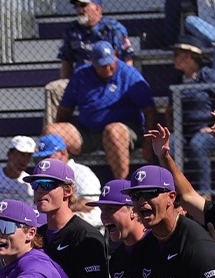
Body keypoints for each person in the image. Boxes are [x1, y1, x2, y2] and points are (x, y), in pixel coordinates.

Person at [55, 41, 155, 178]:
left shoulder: (129, 74)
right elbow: (65, 110)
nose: (108, 69)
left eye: (110, 64)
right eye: (102, 66)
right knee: (52, 132)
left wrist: (148, 142)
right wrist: (60, 127)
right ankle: (56, 182)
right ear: (92, 62)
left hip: (122, 132)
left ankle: (121, 187)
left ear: (115, 56)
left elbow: (149, 110)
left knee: (113, 131)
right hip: (87, 133)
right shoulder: (81, 76)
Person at [45, 0, 138, 124]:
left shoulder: (113, 29)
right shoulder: (72, 30)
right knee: (53, 89)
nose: (79, 10)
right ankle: (54, 138)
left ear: (98, 8)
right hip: (80, 81)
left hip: (107, 81)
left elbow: (127, 60)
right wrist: (68, 85)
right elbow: (66, 61)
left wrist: (121, 82)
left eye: (83, 5)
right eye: (77, 6)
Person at [174, 43, 215, 194]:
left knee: (198, 145)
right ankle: (172, 195)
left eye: (176, 55)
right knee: (167, 146)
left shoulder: (206, 74)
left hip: (207, 129)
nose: (173, 59)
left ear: (187, 56)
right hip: (182, 131)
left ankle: (204, 196)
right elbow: (170, 109)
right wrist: (173, 127)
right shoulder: (178, 79)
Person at [37, 127, 107, 223]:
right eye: (41, 157)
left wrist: (59, 208)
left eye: (48, 156)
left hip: (88, 225)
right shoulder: (46, 176)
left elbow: (90, 203)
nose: (45, 161)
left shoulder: (81, 171)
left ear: (63, 153)